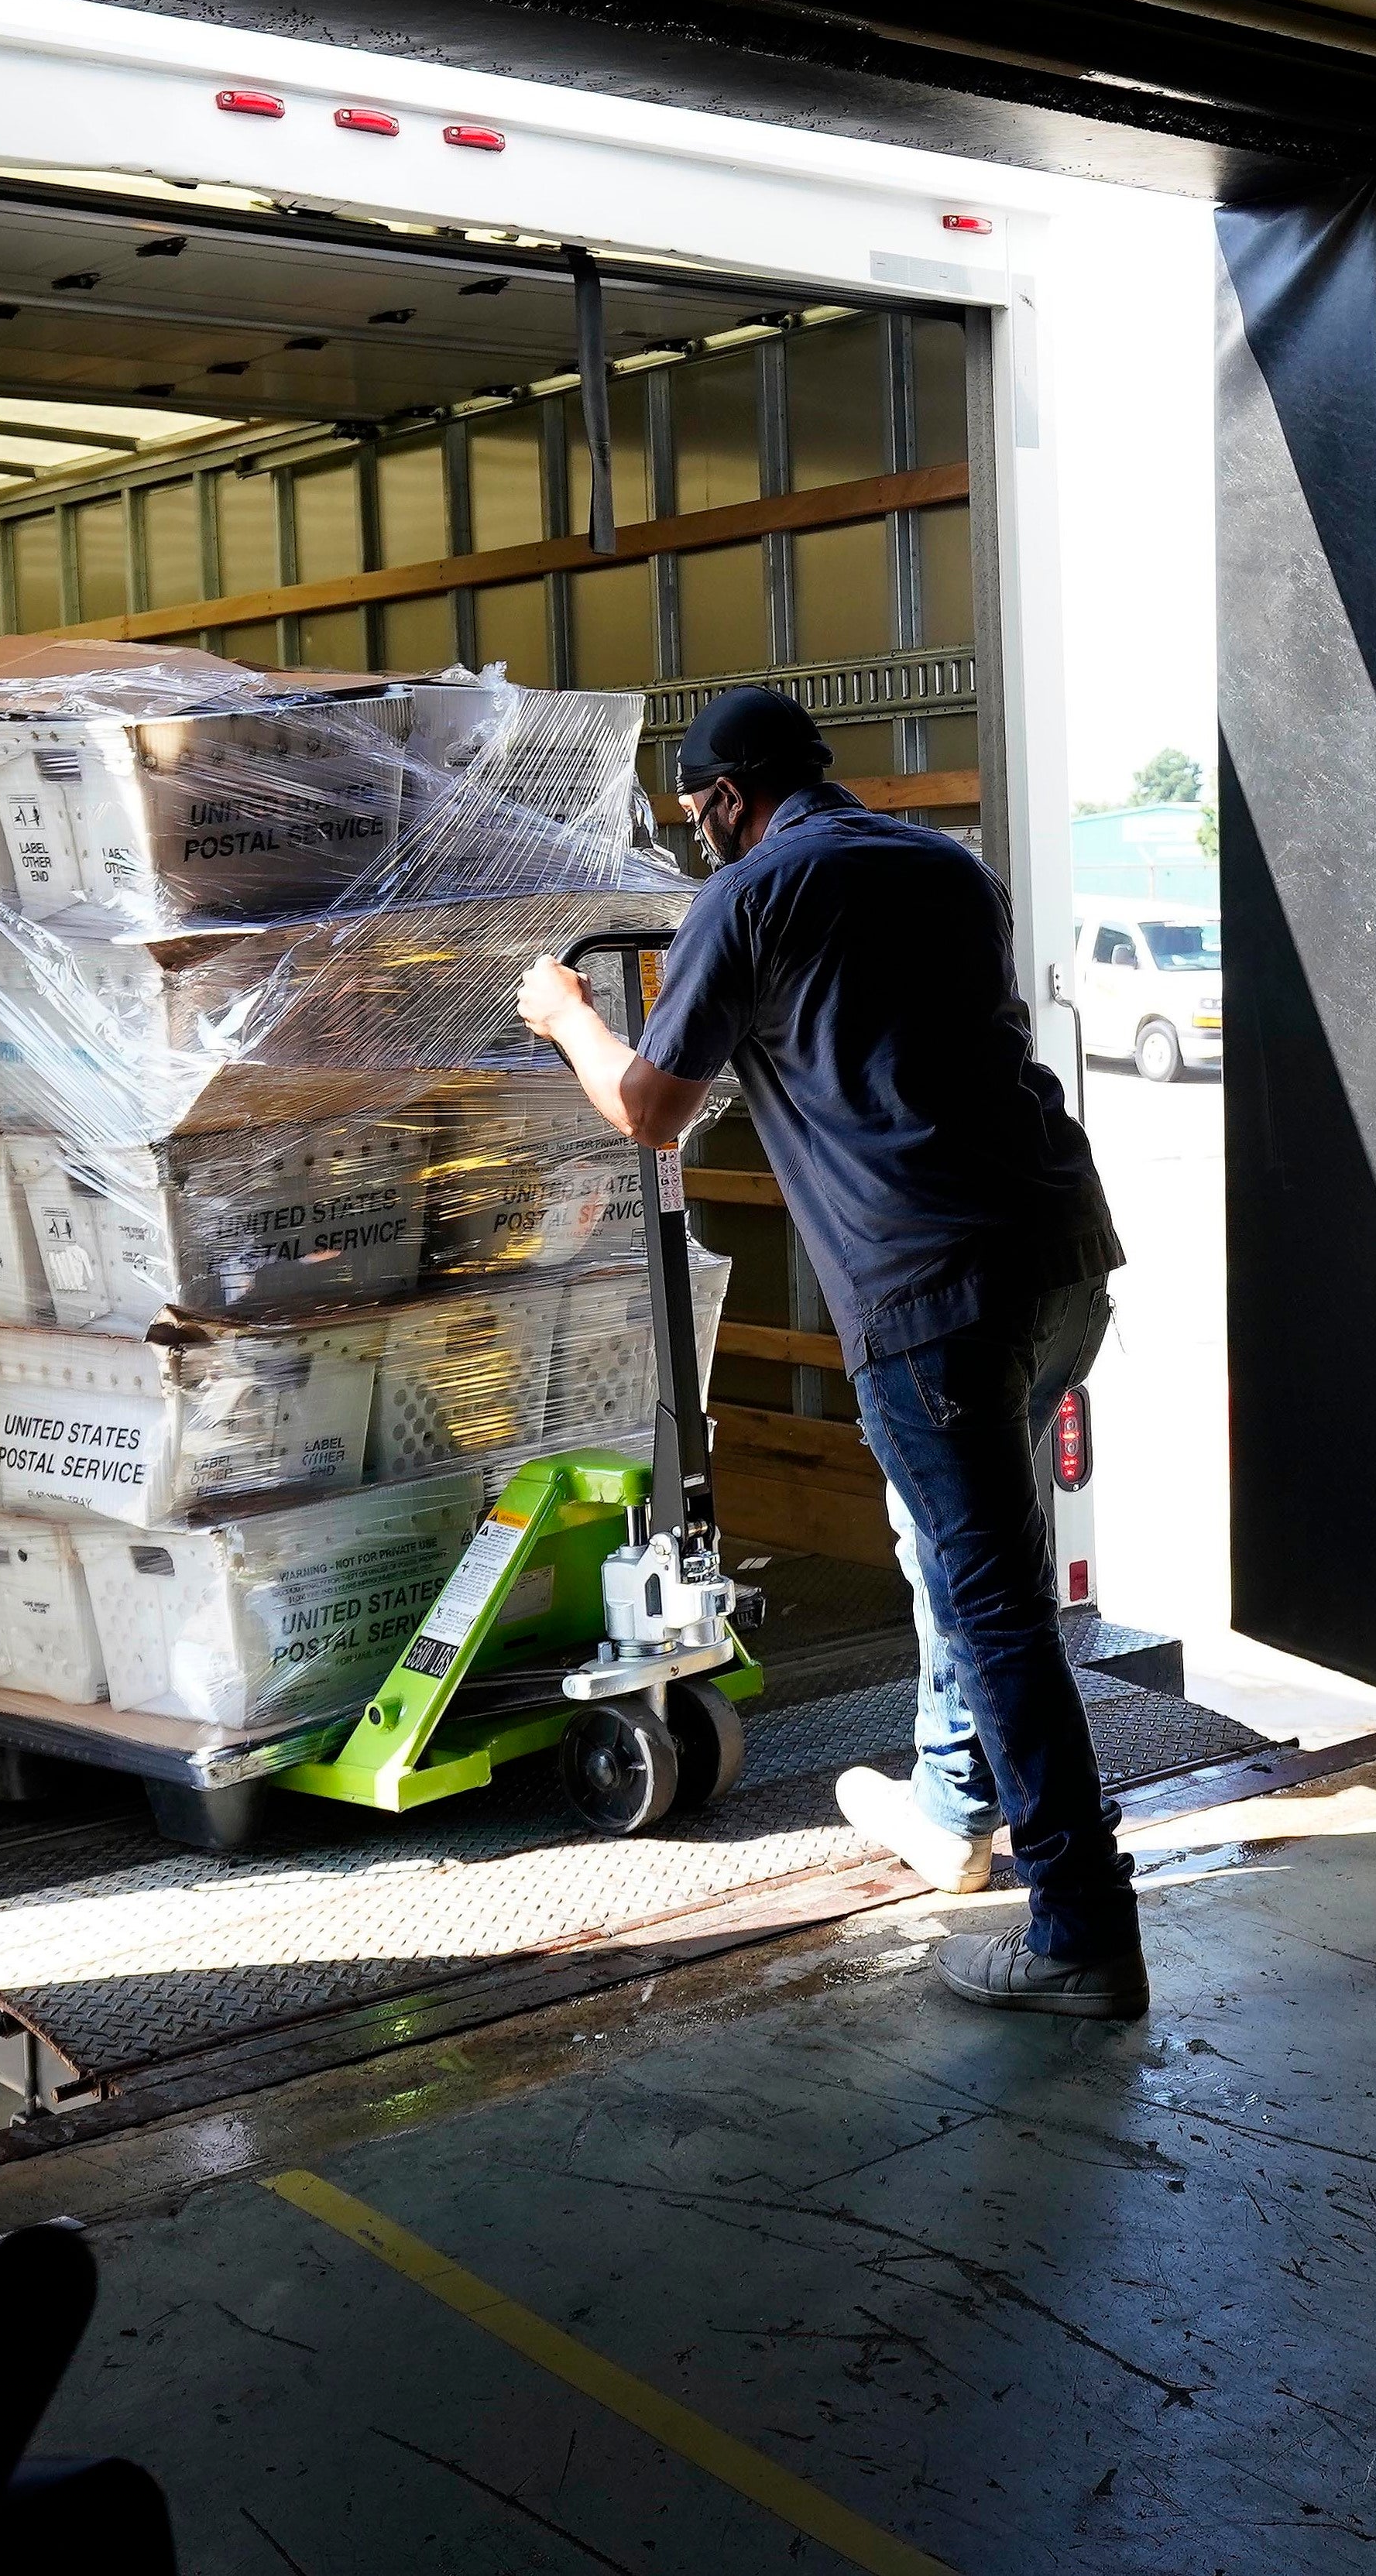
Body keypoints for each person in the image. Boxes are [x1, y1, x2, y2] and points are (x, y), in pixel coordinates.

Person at [515, 687, 1145, 2018]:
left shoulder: (744, 901)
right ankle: (954, 1799)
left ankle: (1081, 1926)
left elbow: (650, 1110)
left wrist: (568, 1013)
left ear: (729, 798)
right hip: (1063, 1253)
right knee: (953, 1543)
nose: (698, 838)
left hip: (932, 1292)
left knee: (994, 1599)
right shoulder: (946, 867)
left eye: (697, 815)